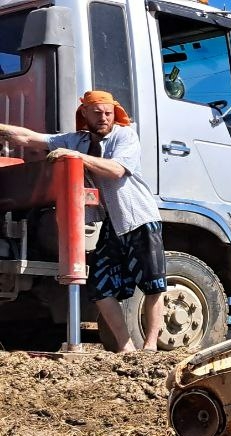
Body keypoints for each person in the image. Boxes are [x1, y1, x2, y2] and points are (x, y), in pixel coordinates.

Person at [0, 90, 165, 352]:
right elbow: (31, 138)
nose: (103, 118)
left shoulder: (125, 135)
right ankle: (126, 347)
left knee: (153, 283)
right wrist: (2, 129)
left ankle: (151, 347)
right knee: (99, 286)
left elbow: (116, 170)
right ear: (85, 114)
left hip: (140, 218)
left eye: (108, 113)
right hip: (113, 223)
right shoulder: (75, 140)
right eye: (97, 113)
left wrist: (76, 157)